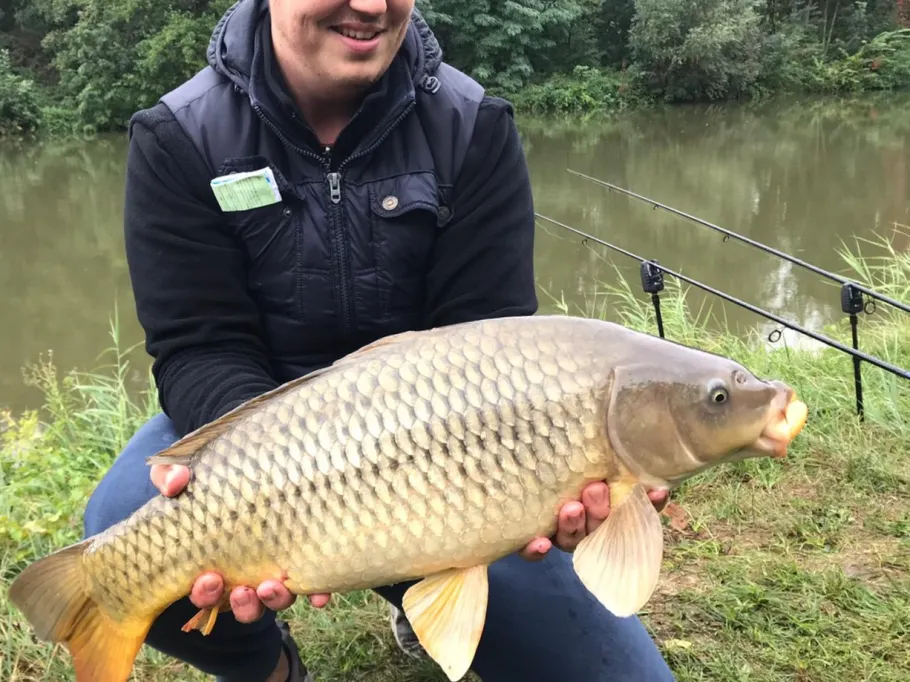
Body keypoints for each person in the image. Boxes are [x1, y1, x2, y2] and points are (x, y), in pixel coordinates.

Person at [82, 0, 677, 680]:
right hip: (264, 437)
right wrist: (276, 486)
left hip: (451, 454)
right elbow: (200, 345)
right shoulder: (180, 136)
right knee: (121, 524)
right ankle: (269, 667)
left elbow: (492, 345)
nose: (370, 6)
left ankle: (424, 584)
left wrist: (544, 489)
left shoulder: (472, 125)